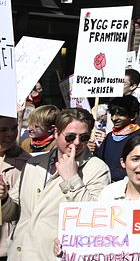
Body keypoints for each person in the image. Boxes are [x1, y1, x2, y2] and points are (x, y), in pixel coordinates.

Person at [7, 108, 110, 260]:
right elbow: (13, 211)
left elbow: (96, 221)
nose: (77, 143)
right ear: (56, 132)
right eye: (70, 137)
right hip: (19, 254)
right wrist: (3, 199)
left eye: (84, 137)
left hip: (52, 256)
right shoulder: (34, 163)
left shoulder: (97, 169)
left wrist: (72, 179)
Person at [94, 95, 140, 182]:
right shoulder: (110, 136)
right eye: (112, 114)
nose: (114, 118)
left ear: (133, 116)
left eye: (121, 115)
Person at [0, 115, 29, 258]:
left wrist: (5, 197)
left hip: (8, 245)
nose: (10, 134)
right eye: (3, 129)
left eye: (13, 128)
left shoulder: (28, 163)